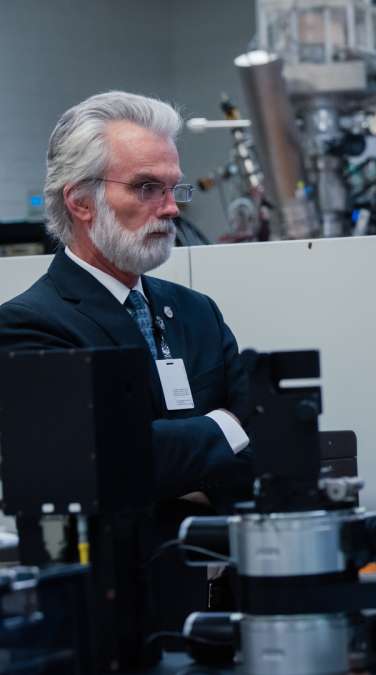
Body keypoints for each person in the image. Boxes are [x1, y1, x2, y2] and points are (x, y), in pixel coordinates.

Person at [0, 91, 254, 632]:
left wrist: (177, 453)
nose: (171, 208)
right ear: (80, 201)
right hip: (114, 613)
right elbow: (96, 465)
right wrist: (219, 430)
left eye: (172, 187)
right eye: (146, 188)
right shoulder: (28, 325)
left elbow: (261, 442)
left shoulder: (195, 312)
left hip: (224, 602)